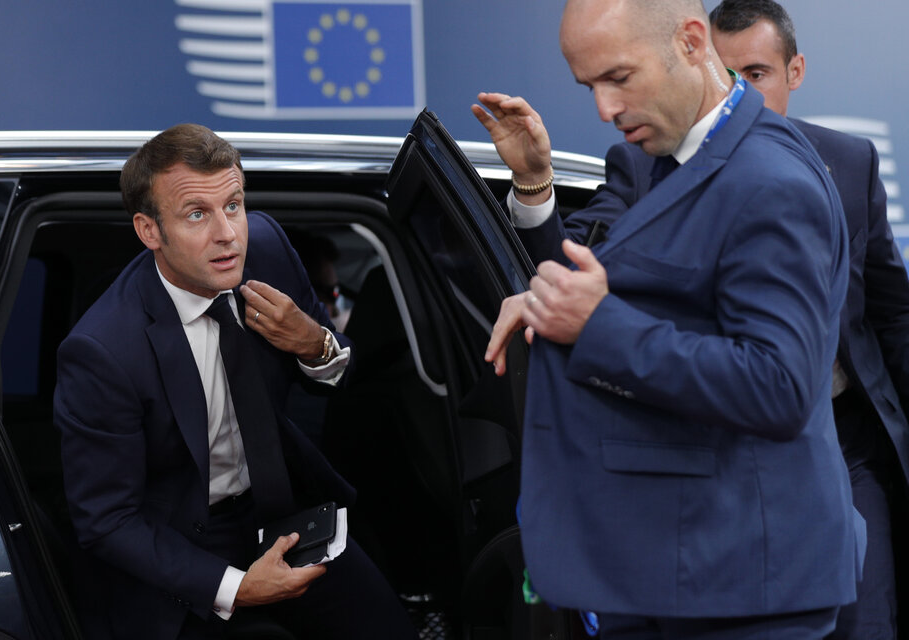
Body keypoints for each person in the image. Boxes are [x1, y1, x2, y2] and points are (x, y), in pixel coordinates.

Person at [473, 0, 863, 637]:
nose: (602, 109)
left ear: (689, 42)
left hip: (741, 591)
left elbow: (781, 386)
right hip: (681, 572)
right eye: (589, 86)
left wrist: (596, 325)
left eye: (619, 79)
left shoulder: (769, 180)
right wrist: (558, 302)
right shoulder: (669, 160)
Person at [53, 124, 416, 639]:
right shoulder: (104, 351)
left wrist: (314, 343)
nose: (228, 233)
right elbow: (107, 521)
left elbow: (336, 370)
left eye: (233, 205)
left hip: (280, 513)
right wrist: (238, 588)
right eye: (197, 214)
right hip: (179, 545)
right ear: (149, 231)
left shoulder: (265, 250)